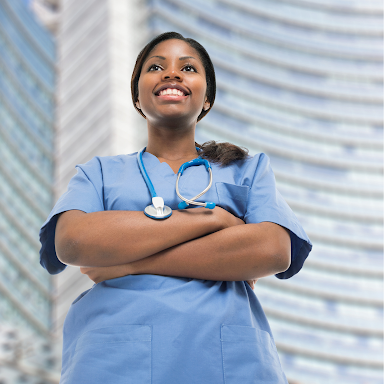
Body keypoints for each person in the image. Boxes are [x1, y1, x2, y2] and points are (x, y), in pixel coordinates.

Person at [39, 31, 312, 383]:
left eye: (188, 67)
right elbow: (73, 242)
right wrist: (214, 218)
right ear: (137, 97)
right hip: (115, 361)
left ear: (207, 98)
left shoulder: (247, 168)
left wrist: (128, 261)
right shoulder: (99, 173)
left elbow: (274, 249)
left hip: (228, 362)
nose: (172, 73)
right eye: (156, 66)